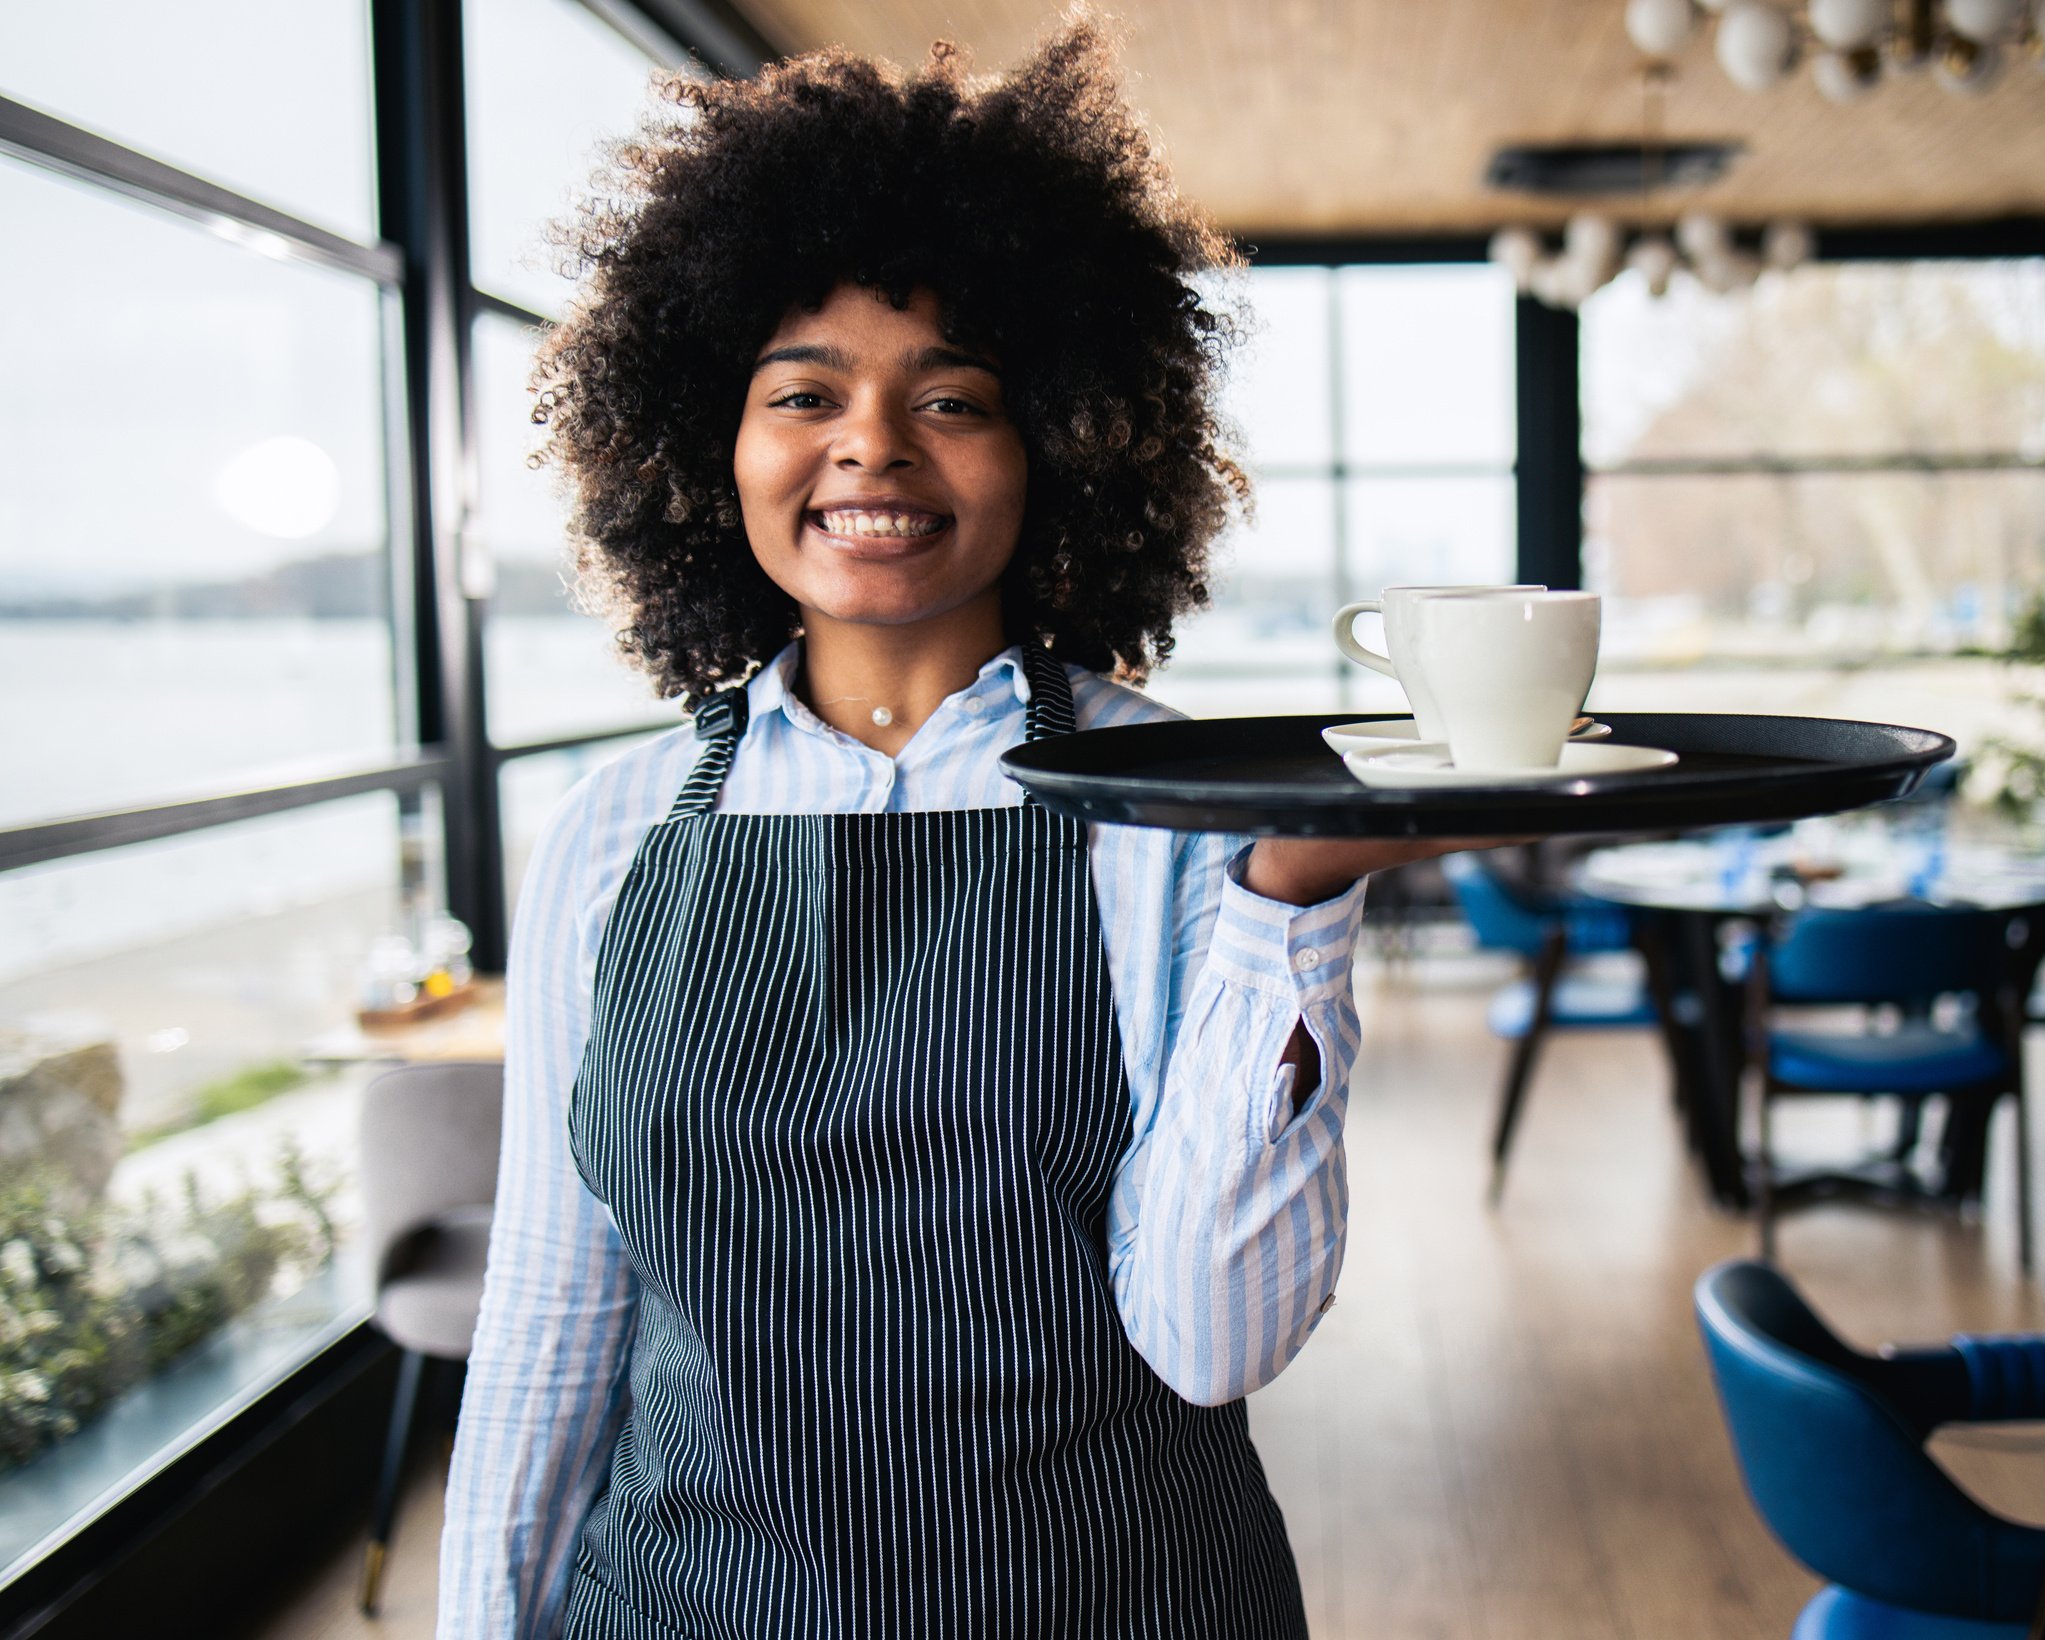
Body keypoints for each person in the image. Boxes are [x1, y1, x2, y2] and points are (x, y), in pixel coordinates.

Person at [438, 23, 1477, 1639]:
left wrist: (1291, 899)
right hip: (689, 1605)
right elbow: (553, 1315)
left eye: (953, 398)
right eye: (804, 393)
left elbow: (1210, 1341)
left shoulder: (1178, 801)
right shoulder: (616, 827)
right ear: (707, 445)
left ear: (1058, 445)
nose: (872, 444)